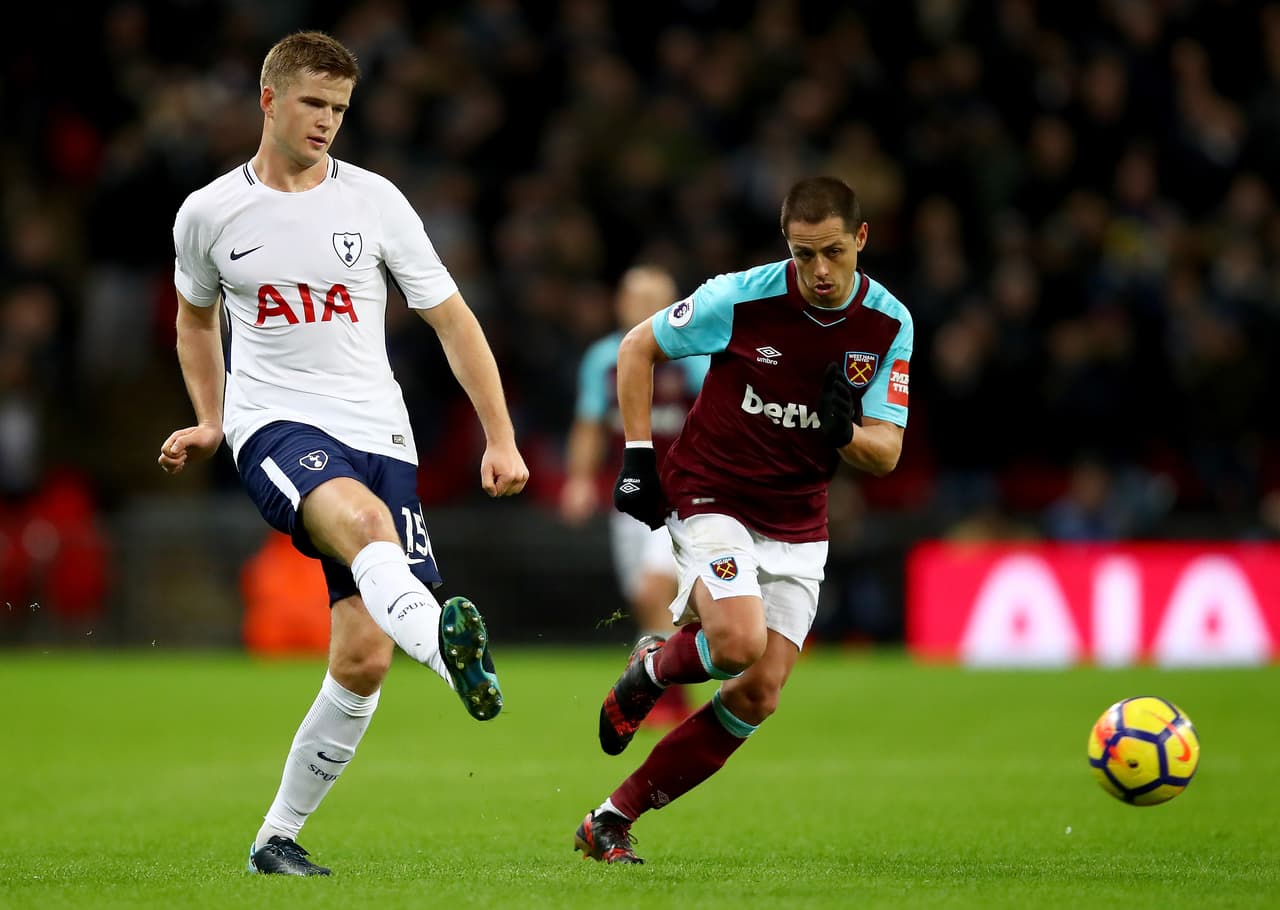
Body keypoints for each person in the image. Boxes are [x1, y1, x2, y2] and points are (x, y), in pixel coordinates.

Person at [157, 31, 529, 877]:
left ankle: (274, 839)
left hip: (379, 429)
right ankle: (449, 649)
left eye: (339, 109)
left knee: (362, 654)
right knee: (363, 527)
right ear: (268, 100)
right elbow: (192, 320)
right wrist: (213, 420)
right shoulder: (210, 213)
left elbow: (452, 321)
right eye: (313, 104)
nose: (327, 121)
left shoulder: (377, 202)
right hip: (277, 425)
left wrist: (499, 436)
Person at [573, 176, 913, 864]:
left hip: (798, 519)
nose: (819, 271)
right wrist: (638, 456)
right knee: (735, 643)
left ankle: (610, 818)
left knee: (758, 693)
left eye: (834, 253)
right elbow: (638, 346)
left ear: (862, 240)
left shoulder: (887, 324)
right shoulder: (742, 295)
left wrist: (845, 433)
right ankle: (654, 670)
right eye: (804, 252)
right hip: (713, 493)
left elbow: (887, 450)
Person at [559, 264, 708, 728]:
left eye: (655, 299)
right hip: (631, 501)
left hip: (685, 498)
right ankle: (674, 676)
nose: (645, 308)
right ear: (621, 305)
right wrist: (580, 479)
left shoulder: (694, 357)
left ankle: (661, 693)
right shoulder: (604, 358)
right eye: (636, 298)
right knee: (650, 600)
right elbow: (589, 423)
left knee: (653, 588)